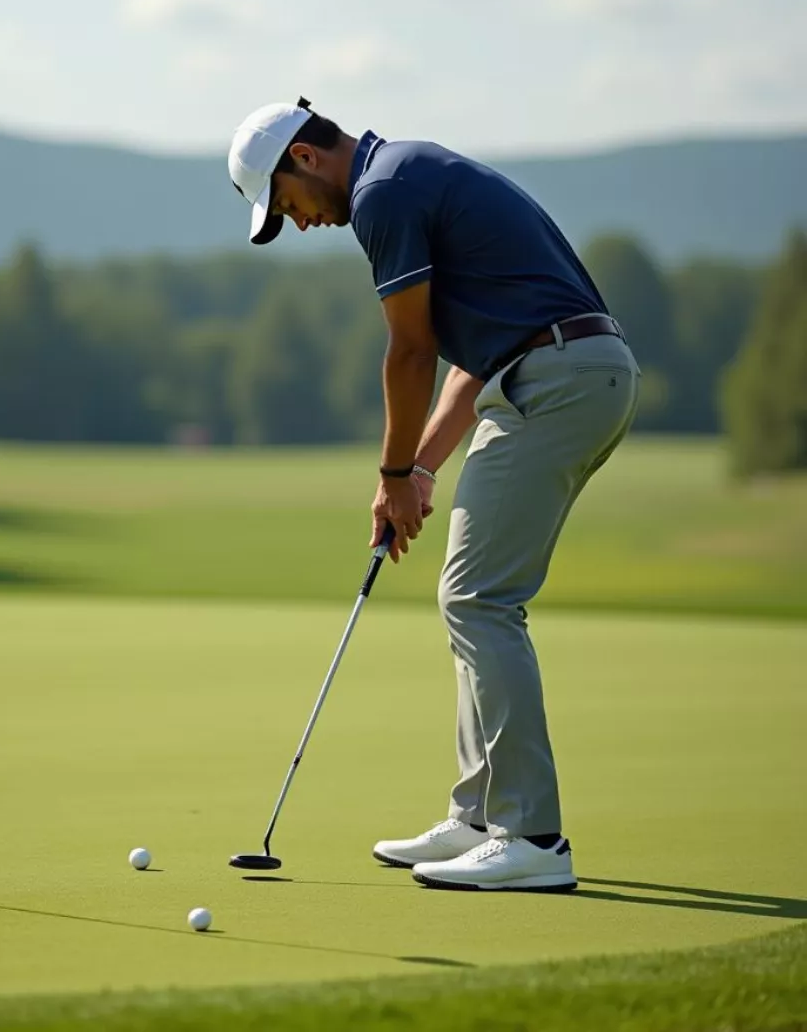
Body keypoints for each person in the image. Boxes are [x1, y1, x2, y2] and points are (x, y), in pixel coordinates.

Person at [227, 98, 640, 892]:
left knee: (480, 599)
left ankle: (534, 838)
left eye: (285, 203)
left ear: (304, 160)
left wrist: (388, 473)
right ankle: (479, 818)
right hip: (561, 370)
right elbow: (471, 360)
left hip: (555, 378)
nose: (299, 222)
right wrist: (417, 471)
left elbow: (411, 351)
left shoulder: (383, 194)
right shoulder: (409, 170)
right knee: (469, 595)